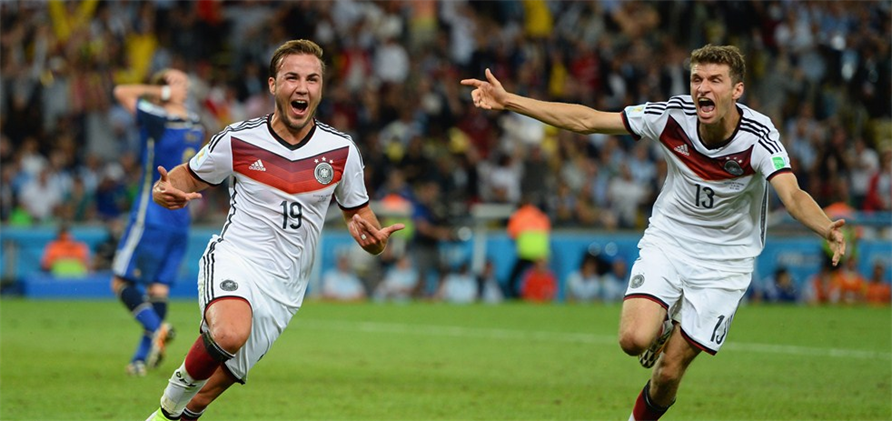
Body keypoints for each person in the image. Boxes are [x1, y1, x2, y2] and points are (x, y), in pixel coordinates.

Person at [462, 44, 846, 420]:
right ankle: (665, 319)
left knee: (667, 373)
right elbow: (588, 120)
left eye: (715, 80)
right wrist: (511, 101)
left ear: (737, 90)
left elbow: (792, 195)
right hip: (671, 239)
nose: (703, 88)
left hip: (725, 263)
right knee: (633, 340)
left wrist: (826, 227)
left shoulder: (758, 137)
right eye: (697, 79)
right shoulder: (670, 116)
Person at [145, 39, 404, 421]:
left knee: (211, 390)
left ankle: (165, 417)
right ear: (272, 85)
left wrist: (373, 242)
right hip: (237, 258)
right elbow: (186, 177)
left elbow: (360, 217)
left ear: (321, 88)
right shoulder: (238, 139)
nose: (302, 87)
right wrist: (163, 190)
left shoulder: (341, 150)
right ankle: (169, 402)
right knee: (230, 334)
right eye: (292, 78)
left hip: (285, 287)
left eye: (312, 79)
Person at [111, 68, 205, 377]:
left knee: (120, 282)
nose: (185, 86)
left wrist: (162, 94)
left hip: (151, 212)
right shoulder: (196, 125)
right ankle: (139, 359)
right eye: (179, 80)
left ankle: (157, 327)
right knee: (158, 289)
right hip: (182, 217)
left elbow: (121, 92)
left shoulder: (158, 117)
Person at [504, 197, 551, 298]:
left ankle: (517, 297)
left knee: (513, 279)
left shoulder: (518, 215)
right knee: (540, 277)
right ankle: (542, 297)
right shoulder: (539, 214)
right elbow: (547, 229)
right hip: (541, 252)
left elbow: (511, 234)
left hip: (526, 251)